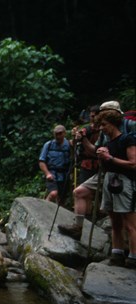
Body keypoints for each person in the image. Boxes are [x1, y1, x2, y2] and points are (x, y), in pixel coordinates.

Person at [58, 100, 133, 240]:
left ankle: (127, 250)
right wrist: (84, 139)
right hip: (106, 172)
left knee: (123, 215)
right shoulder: (103, 130)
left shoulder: (129, 127)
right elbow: (95, 150)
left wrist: (109, 157)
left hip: (125, 174)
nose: (98, 121)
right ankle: (78, 228)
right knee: (79, 192)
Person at [93, 108, 136, 268]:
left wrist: (110, 157)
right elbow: (106, 165)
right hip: (109, 181)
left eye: (104, 125)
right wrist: (102, 157)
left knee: (131, 223)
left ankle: (133, 256)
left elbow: (133, 163)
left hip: (124, 182)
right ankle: (117, 253)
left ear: (112, 124)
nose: (101, 128)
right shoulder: (108, 143)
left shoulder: (128, 139)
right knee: (115, 222)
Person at [39, 125, 71, 203]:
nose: (58, 136)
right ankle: (44, 207)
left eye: (60, 133)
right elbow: (41, 161)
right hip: (52, 173)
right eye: (56, 134)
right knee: (53, 194)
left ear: (64, 133)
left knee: (61, 199)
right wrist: (47, 174)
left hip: (64, 175)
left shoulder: (69, 145)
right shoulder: (49, 145)